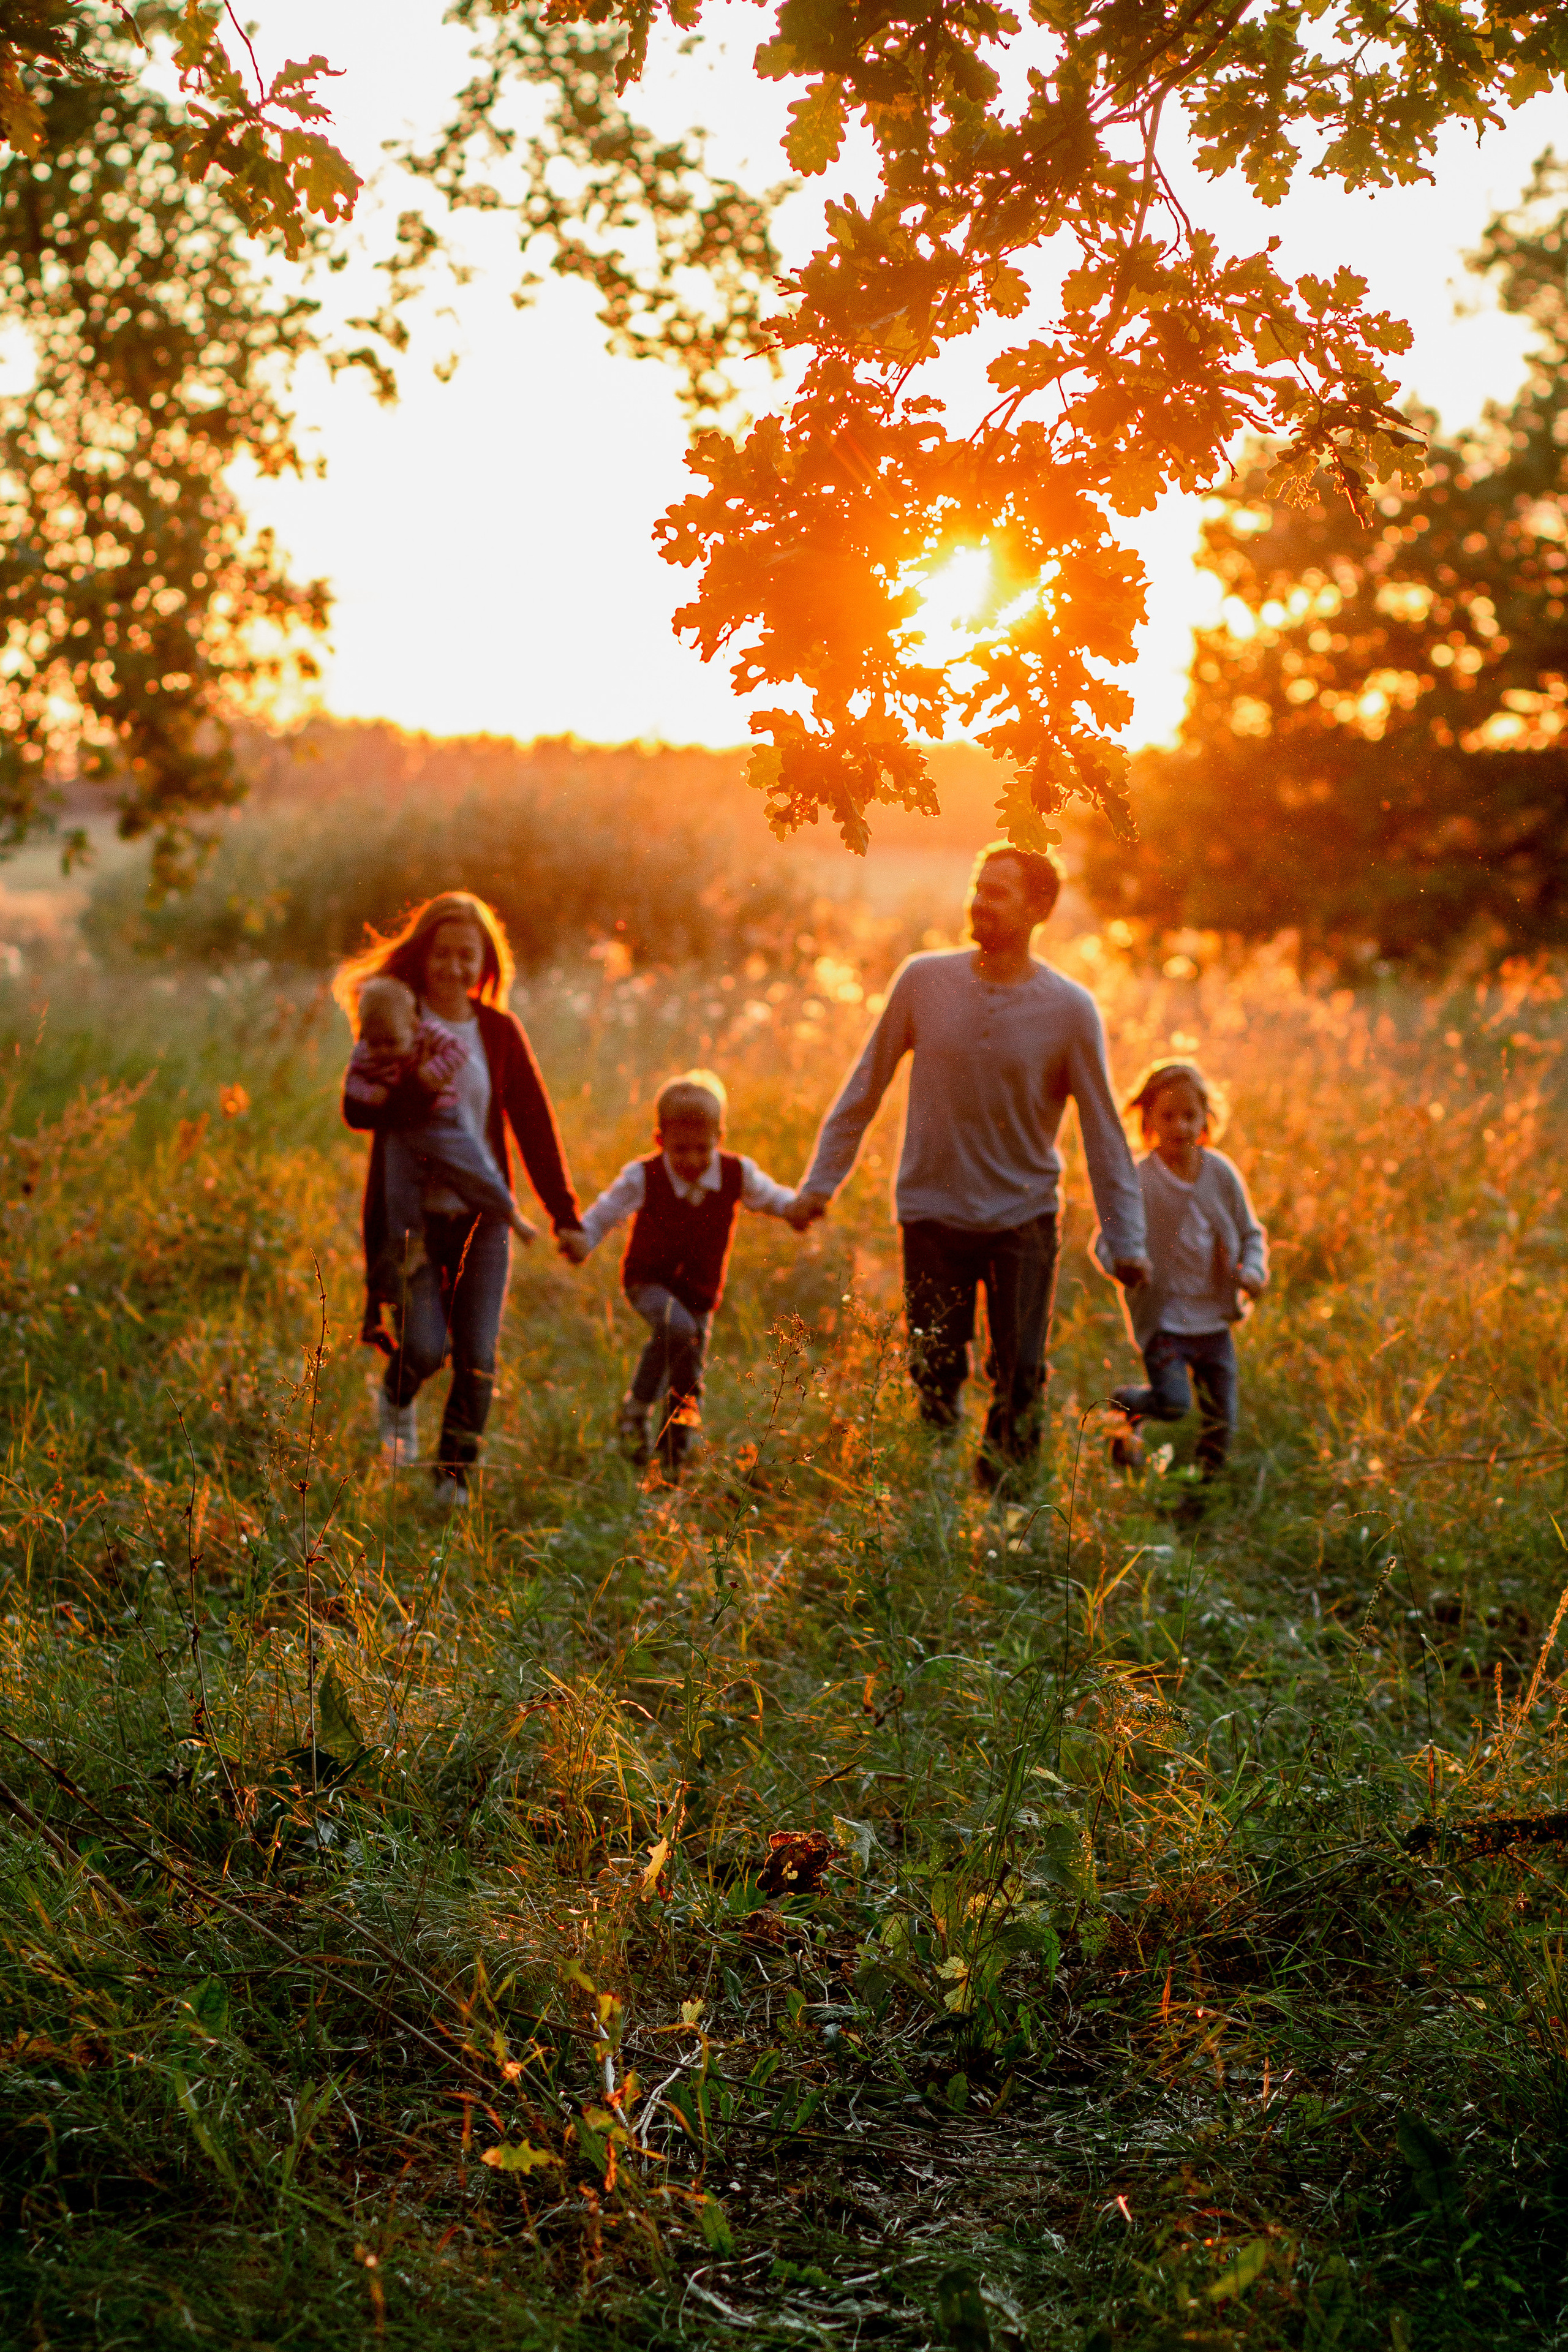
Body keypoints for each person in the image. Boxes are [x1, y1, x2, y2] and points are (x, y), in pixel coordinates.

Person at [793, 844, 1150, 1490]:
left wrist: (1126, 1240)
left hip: (1023, 1217)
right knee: (932, 1366)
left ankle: (1008, 1506)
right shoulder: (922, 981)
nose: (978, 903)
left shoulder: (1069, 1010)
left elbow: (1104, 1132)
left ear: (1039, 908)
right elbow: (862, 1090)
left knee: (1019, 1371)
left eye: (998, 893)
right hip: (931, 1211)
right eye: (977, 888)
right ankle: (932, 1489)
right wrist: (819, 1185)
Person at [336, 892, 583, 1507]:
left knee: (476, 1356)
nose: (452, 967)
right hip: (413, 1222)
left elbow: (533, 1122)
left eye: (465, 956)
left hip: (483, 1221)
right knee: (424, 1347)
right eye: (441, 954)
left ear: (485, 962)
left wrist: (563, 1214)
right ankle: (396, 1395)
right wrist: (419, 1086)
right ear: (421, 958)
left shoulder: (497, 1031)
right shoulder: (397, 1018)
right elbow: (357, 1109)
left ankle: (451, 1482)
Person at [558, 1070, 799, 1477]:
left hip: (700, 1293)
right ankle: (637, 1413)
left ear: (720, 1137)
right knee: (676, 1329)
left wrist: (799, 1208)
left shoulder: (736, 1173)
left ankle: (673, 1456)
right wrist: (582, 1239)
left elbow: (773, 1198)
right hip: (647, 1281)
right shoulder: (643, 1175)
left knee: (689, 1370)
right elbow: (605, 1213)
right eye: (679, 1149)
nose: (691, 1160)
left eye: (702, 1148)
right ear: (660, 1140)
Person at [1097, 1060, 1268, 1477]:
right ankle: (1126, 1406)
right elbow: (1105, 1243)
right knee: (1174, 1403)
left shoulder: (1220, 1173)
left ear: (1206, 1118)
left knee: (1221, 1417)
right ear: (1149, 1120)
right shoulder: (1139, 1178)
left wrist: (1255, 1272)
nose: (1180, 1127)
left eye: (1189, 1115)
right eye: (1168, 1116)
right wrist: (1127, 1266)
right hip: (1166, 1320)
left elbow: (1251, 1233)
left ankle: (1205, 1492)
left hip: (1214, 1320)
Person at [347, 976, 540, 1291]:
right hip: (402, 1132)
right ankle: (410, 1247)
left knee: (471, 1166)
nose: (383, 1051)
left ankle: (508, 1212)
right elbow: (354, 1085)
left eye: (391, 1043)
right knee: (399, 1187)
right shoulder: (366, 1050)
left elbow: (457, 1053)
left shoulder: (428, 1035)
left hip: (441, 1120)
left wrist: (427, 1078)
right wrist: (372, 1095)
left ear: (413, 1025)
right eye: (373, 1042)